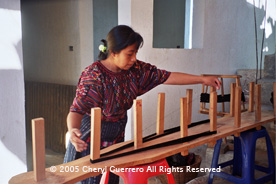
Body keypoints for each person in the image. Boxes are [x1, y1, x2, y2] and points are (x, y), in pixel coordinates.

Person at [64, 25, 220, 184]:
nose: (133, 58)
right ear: (113, 52)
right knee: (89, 180)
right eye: (129, 54)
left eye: (135, 53)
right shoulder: (94, 76)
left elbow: (166, 76)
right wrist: (73, 130)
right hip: (89, 140)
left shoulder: (135, 70)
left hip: (115, 139)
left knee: (109, 180)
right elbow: (76, 110)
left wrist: (202, 79)